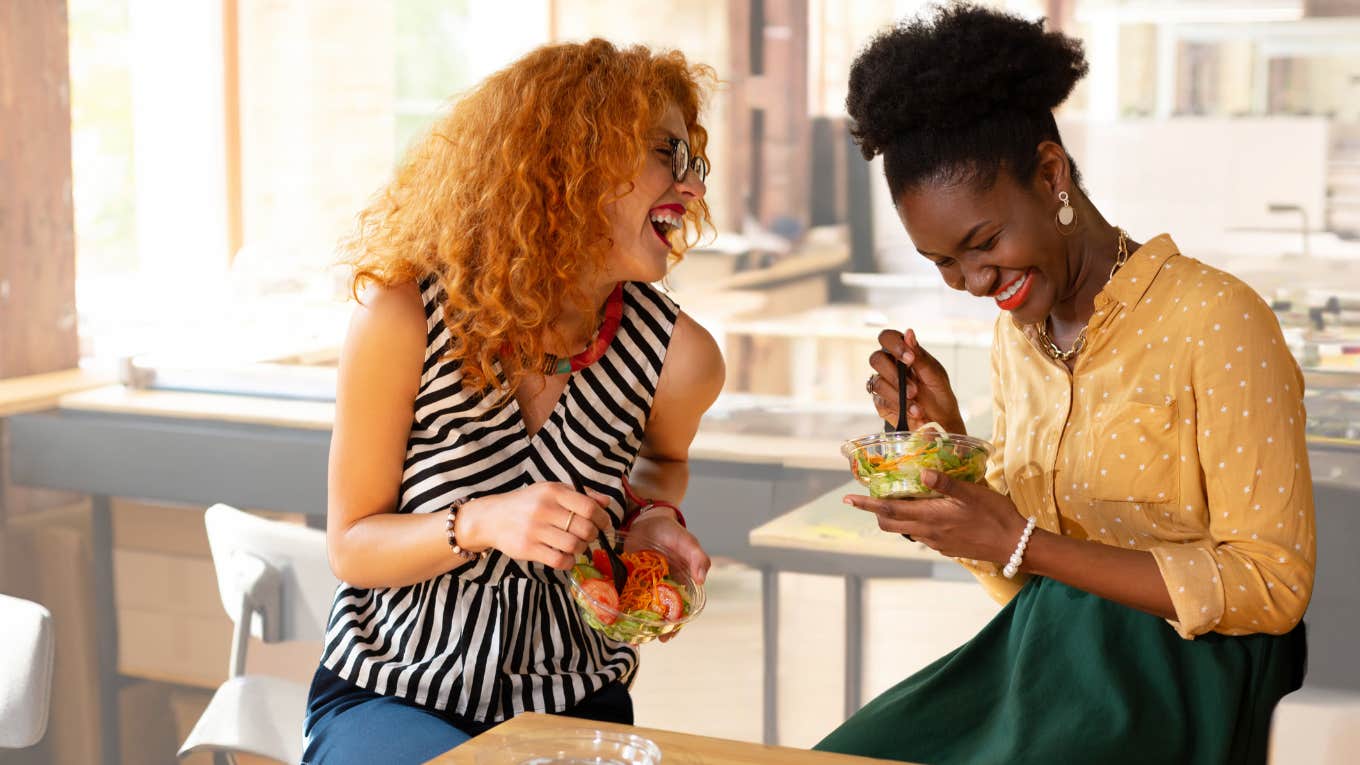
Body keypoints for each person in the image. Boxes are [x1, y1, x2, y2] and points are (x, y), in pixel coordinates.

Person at [816, 6, 1313, 764]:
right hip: (1049, 658)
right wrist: (950, 455)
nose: (974, 281)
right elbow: (1024, 586)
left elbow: (1275, 586)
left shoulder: (1216, 319)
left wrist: (1023, 542)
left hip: (1182, 677)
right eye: (942, 262)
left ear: (1051, 173)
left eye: (984, 243)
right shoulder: (1020, 338)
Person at [301, 39, 725, 764]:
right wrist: (479, 521)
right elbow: (352, 546)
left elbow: (662, 464)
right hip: (393, 690)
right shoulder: (402, 316)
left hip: (576, 700)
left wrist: (648, 519)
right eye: (666, 155)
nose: (692, 190)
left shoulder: (680, 357)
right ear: (568, 162)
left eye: (694, 164)